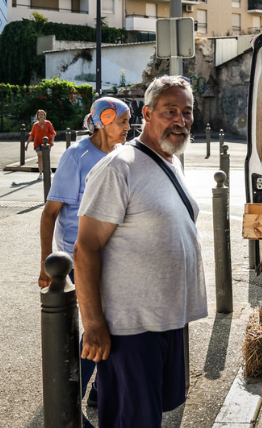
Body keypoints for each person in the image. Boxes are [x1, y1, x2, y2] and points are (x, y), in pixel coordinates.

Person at [74, 76, 207, 428]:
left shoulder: (170, 161)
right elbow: (85, 248)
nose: (181, 120)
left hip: (166, 321)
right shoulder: (119, 167)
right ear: (147, 113)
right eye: (170, 111)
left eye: (187, 112)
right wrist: (93, 324)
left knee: (150, 417)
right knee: (130, 421)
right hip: (130, 330)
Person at [40, 97, 131, 410]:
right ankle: (69, 393)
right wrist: (45, 263)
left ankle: (97, 391)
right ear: (105, 120)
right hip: (80, 255)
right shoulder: (76, 156)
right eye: (123, 121)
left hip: (113, 254)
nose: (128, 129)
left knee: (114, 323)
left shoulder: (120, 154)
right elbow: (50, 212)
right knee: (99, 323)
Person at [26, 110, 56, 180]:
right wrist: (27, 144)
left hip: (47, 144)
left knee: (46, 157)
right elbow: (32, 135)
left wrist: (52, 141)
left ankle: (48, 169)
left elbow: (52, 133)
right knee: (40, 156)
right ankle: (40, 173)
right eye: (39, 114)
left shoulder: (48, 123)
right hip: (38, 143)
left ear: (44, 116)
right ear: (37, 116)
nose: (41, 115)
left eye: (42, 114)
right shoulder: (35, 125)